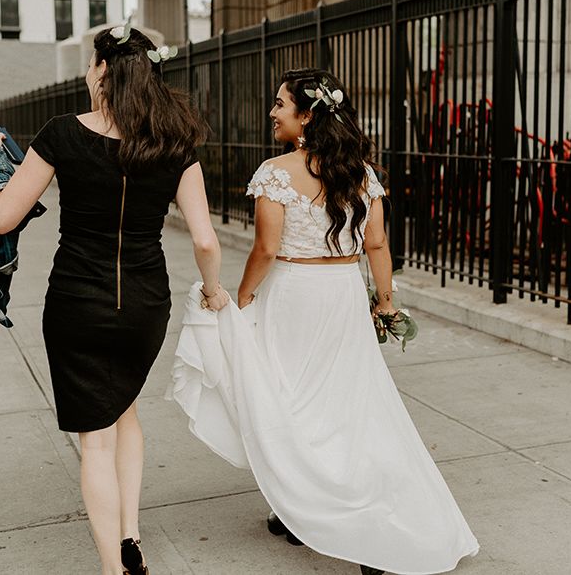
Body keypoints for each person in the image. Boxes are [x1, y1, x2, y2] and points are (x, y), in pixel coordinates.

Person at [169, 68, 479, 574]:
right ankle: (347, 518)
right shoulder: (359, 171)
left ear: (306, 115)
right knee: (347, 401)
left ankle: (301, 511)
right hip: (341, 295)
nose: (272, 112)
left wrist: (242, 298)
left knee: (290, 400)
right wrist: (384, 302)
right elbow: (377, 244)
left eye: (279, 104)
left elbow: (267, 249)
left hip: (293, 293)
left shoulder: (275, 172)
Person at [0, 24, 229, 575]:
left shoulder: (62, 133)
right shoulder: (175, 141)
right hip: (144, 304)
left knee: (96, 442)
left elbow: (2, 217)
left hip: (76, 303)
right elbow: (206, 240)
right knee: (125, 409)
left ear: (100, 72)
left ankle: (115, 570)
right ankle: (131, 536)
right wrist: (212, 290)